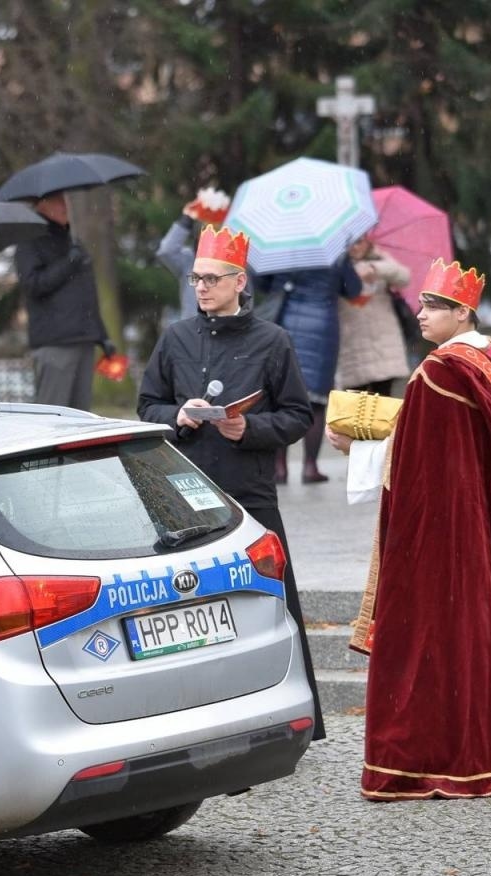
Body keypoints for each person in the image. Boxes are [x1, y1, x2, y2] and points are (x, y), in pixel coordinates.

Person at [327, 259, 491, 799]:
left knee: (441, 630)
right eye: (420, 303)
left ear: (462, 312)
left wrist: (357, 450)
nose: (419, 314)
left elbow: (423, 467)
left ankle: (449, 757)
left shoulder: (442, 372)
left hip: (454, 531)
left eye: (431, 306)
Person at [136, 225, 324, 740]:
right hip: (183, 493)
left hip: (249, 488)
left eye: (212, 279)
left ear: (240, 282)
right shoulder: (175, 337)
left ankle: (292, 719)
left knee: (268, 601)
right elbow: (146, 405)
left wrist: (249, 428)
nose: (200, 287)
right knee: (191, 611)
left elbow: (298, 416)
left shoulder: (273, 341)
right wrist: (179, 415)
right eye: (196, 278)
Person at [258, 256, 363, 483]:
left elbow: (262, 283)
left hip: (283, 322)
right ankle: (310, 466)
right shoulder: (335, 251)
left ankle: (279, 468)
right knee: (315, 402)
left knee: (280, 399)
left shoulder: (280, 249)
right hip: (322, 325)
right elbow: (353, 289)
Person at [14, 191, 111, 411]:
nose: (65, 205)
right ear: (41, 204)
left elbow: (87, 294)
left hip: (83, 339)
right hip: (55, 343)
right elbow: (33, 285)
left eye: (66, 199)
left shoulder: (71, 240)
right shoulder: (30, 241)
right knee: (52, 416)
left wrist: (102, 336)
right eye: (57, 200)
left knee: (80, 419)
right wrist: (69, 262)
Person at [334, 235, 411, 397]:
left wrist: (375, 269)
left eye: (359, 242)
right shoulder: (337, 265)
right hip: (352, 344)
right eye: (349, 244)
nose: (354, 248)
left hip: (383, 342)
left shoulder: (380, 257)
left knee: (383, 404)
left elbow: (404, 276)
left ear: (367, 241)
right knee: (355, 409)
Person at [155, 187, 232, 321]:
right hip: (193, 333)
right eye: (208, 231)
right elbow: (166, 251)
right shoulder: (188, 260)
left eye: (217, 231)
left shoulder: (237, 264)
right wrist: (187, 219)